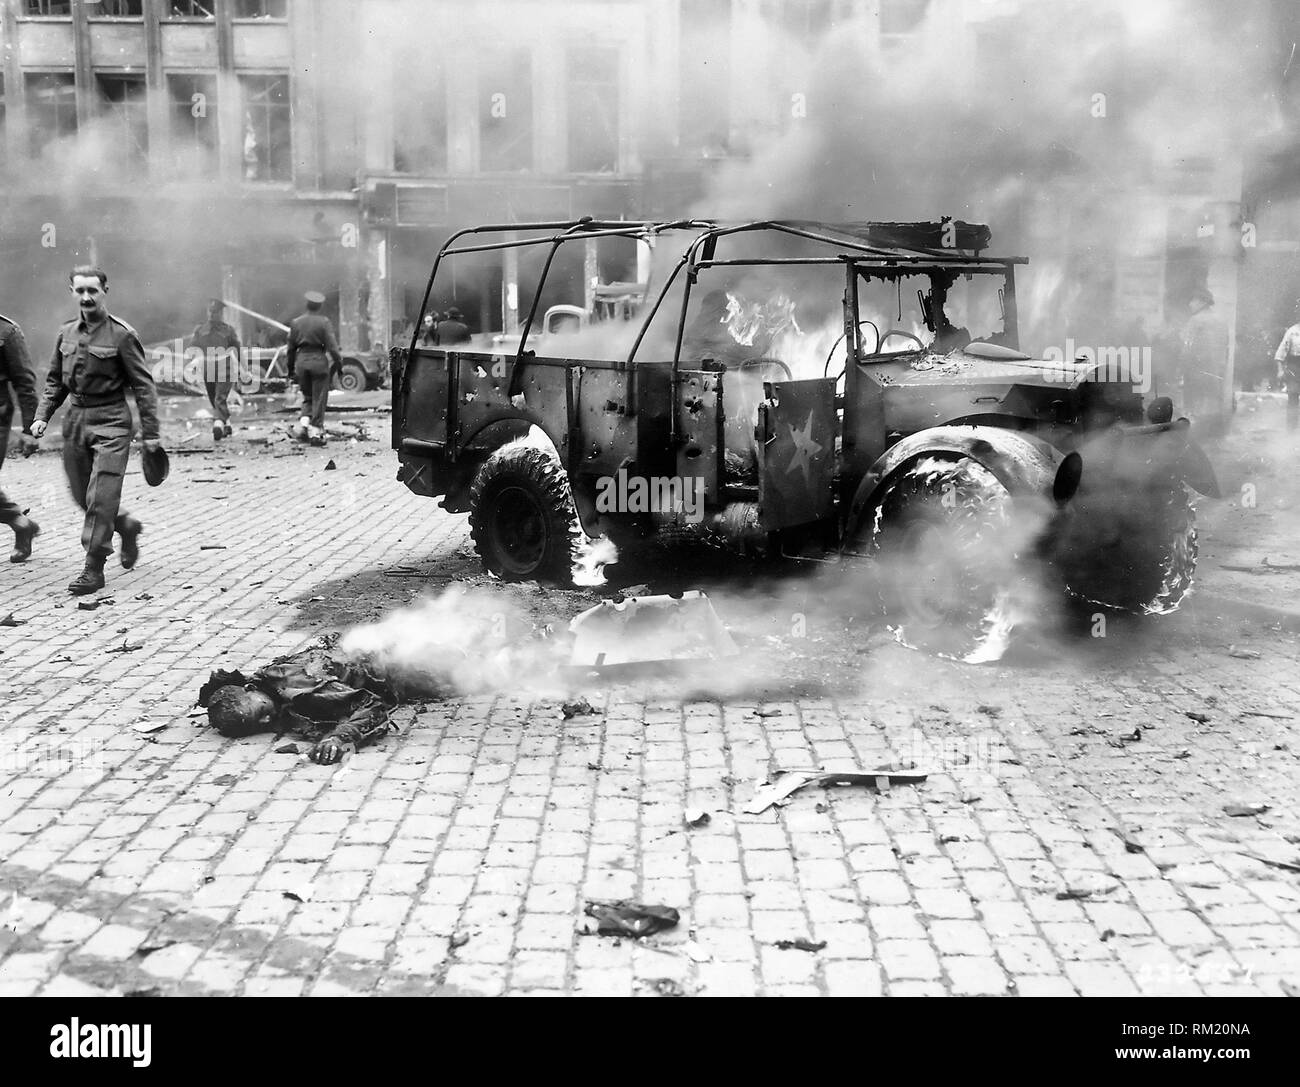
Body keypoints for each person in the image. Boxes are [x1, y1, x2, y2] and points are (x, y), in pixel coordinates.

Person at [29, 267, 162, 596]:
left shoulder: (122, 335)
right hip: (76, 418)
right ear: (71, 291)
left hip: (112, 420)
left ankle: (94, 566)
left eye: (93, 291)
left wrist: (151, 434)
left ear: (105, 291)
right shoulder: (66, 333)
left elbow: (144, 388)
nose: (86, 297)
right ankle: (125, 525)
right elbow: (55, 381)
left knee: (101, 496)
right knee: (80, 493)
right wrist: (43, 414)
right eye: (80, 291)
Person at [0, 312, 41, 564]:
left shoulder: (7, 332)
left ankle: (18, 520)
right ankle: (20, 521)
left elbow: (25, 383)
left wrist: (29, 430)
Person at [286, 290, 342, 446]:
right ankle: (316, 432)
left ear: (307, 305)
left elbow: (290, 349)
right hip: (319, 362)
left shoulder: (296, 323)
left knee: (307, 397)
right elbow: (332, 347)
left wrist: (290, 369)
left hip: (301, 362)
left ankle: (304, 426)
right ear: (320, 306)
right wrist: (338, 364)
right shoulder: (324, 322)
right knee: (319, 398)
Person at [192, 299, 241, 442]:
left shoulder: (202, 330)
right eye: (212, 312)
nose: (213, 315)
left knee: (218, 399)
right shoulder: (225, 330)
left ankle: (222, 424)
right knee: (217, 399)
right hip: (218, 367)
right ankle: (223, 424)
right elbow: (237, 350)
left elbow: (193, 348)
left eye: (214, 312)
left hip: (214, 368)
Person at [1273, 304, 1300, 431]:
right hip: (1295, 366)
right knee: (1293, 396)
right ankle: (1291, 429)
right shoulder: (1292, 331)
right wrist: (1280, 370)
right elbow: (1281, 352)